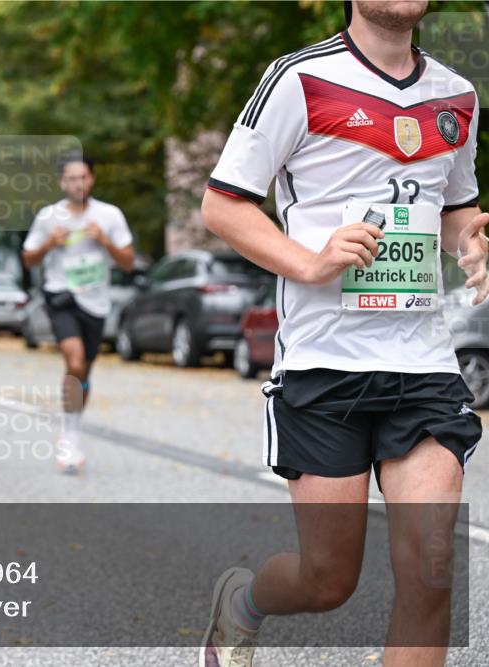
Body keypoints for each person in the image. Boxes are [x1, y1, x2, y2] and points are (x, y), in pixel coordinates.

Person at [200, 2, 485, 665]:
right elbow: (223, 204)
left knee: (432, 567)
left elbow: (455, 209)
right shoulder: (297, 79)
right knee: (326, 579)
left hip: (423, 363)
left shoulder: (458, 95)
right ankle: (242, 602)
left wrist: (471, 245)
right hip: (323, 363)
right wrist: (309, 261)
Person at [21, 154, 134, 473]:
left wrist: (105, 241)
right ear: (61, 182)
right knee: (74, 361)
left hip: (95, 303)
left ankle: (73, 424)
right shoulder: (48, 217)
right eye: (70, 178)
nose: (77, 183)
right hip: (61, 296)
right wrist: (48, 245)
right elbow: (28, 259)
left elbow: (127, 261)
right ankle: (69, 435)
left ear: (92, 179)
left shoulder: (109, 216)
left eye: (82, 177)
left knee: (85, 369)